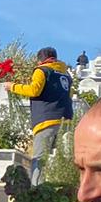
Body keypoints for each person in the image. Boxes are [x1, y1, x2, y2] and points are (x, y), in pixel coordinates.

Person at [9, 47, 74, 176]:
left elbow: (34, 90)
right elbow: (69, 95)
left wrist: (12, 86)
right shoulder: (66, 75)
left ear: (40, 60)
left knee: (39, 160)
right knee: (61, 161)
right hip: (65, 120)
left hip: (47, 120)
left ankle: (37, 191)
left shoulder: (42, 71)